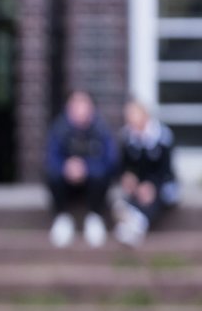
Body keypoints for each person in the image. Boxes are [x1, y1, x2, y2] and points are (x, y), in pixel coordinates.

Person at [45, 91, 117, 248]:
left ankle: (95, 217)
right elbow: (50, 158)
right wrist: (67, 167)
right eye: (75, 105)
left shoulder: (101, 130)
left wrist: (86, 168)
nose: (79, 109)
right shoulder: (59, 129)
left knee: (100, 175)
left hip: (93, 183)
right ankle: (62, 218)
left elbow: (111, 160)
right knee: (52, 175)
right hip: (66, 183)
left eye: (83, 104)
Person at [112, 99, 179, 247]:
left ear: (145, 116)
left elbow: (166, 170)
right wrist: (128, 176)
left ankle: (137, 222)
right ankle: (133, 222)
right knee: (128, 194)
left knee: (157, 195)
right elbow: (124, 166)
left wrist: (153, 185)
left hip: (161, 182)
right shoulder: (127, 137)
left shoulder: (163, 137)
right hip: (139, 184)